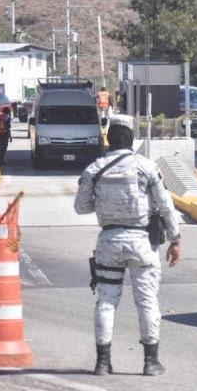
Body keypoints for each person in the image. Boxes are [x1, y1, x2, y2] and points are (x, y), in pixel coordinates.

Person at [74, 115, 182, 377]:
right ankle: (150, 362)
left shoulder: (94, 169)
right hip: (142, 243)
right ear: (131, 139)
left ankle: (102, 363)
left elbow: (81, 207)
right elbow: (166, 206)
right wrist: (175, 239)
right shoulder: (146, 167)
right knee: (147, 302)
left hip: (109, 242)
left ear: (109, 138)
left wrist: (103, 203)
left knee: (106, 302)